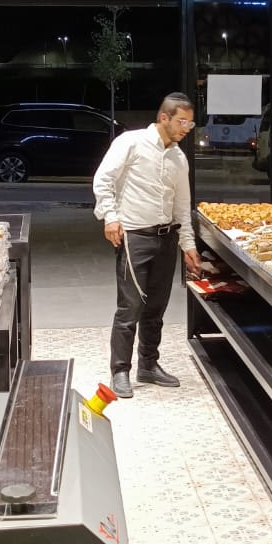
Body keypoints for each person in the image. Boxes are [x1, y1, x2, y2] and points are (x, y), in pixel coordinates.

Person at [93, 92, 203, 397]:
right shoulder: (131, 142)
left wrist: (188, 245)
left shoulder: (179, 158)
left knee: (156, 307)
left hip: (166, 238)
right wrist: (110, 217)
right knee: (130, 307)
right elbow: (103, 179)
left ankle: (149, 365)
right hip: (134, 236)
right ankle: (120, 371)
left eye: (190, 124)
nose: (186, 128)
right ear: (164, 117)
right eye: (182, 122)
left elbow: (182, 207)